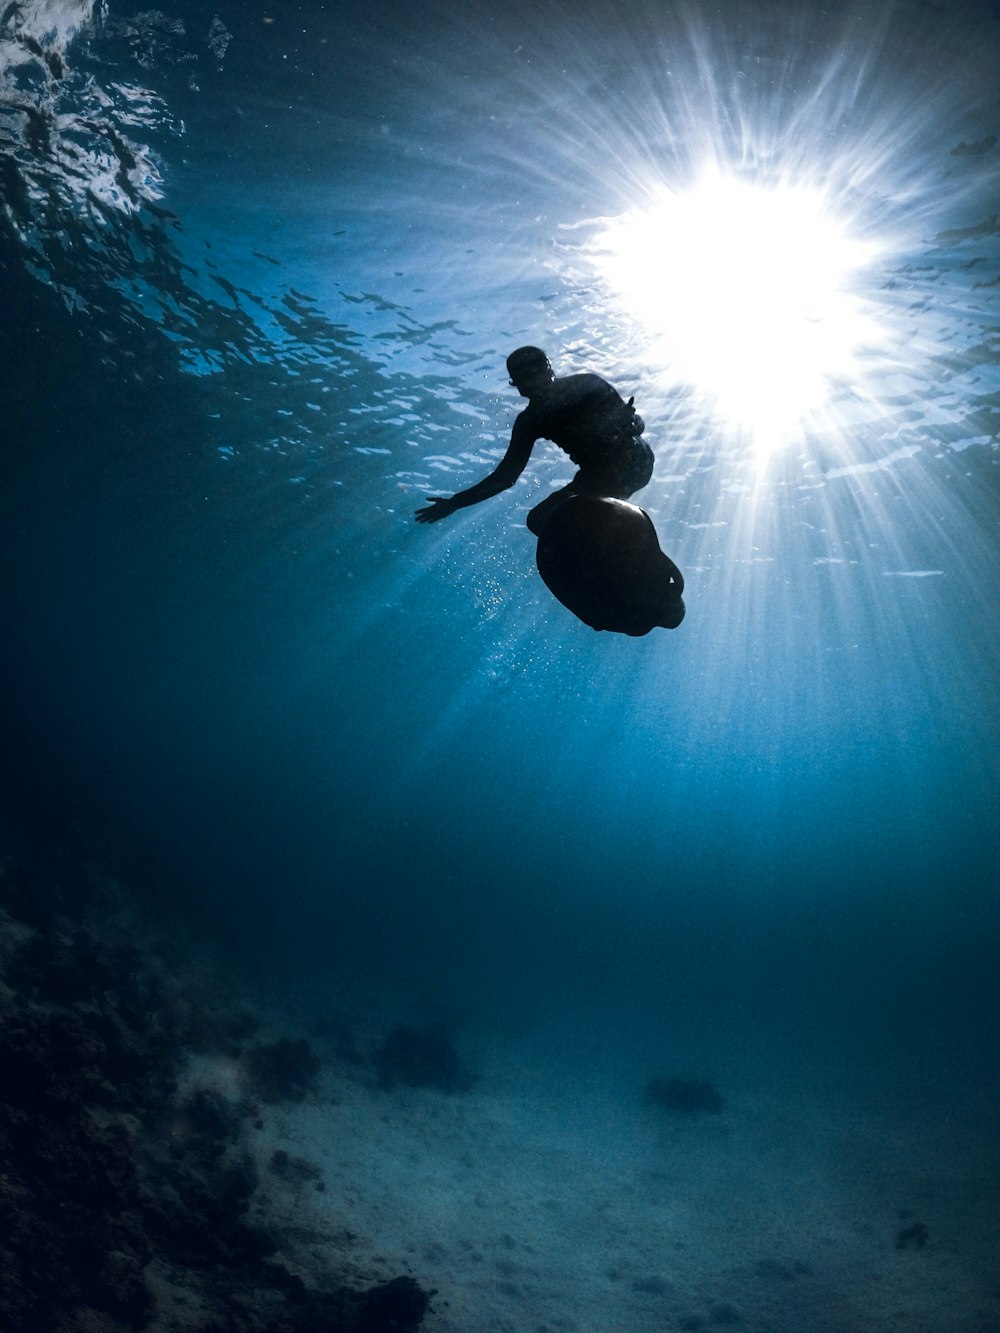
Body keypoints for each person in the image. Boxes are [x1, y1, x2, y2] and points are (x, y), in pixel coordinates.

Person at [414, 346, 653, 535]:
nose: (524, 388)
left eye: (527, 378)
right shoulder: (531, 420)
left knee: (544, 519)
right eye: (518, 382)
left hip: (629, 461)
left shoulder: (585, 385)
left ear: (547, 370)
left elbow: (635, 423)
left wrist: (630, 425)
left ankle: (619, 539)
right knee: (540, 520)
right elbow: (506, 477)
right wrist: (456, 502)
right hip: (606, 474)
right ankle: (615, 545)